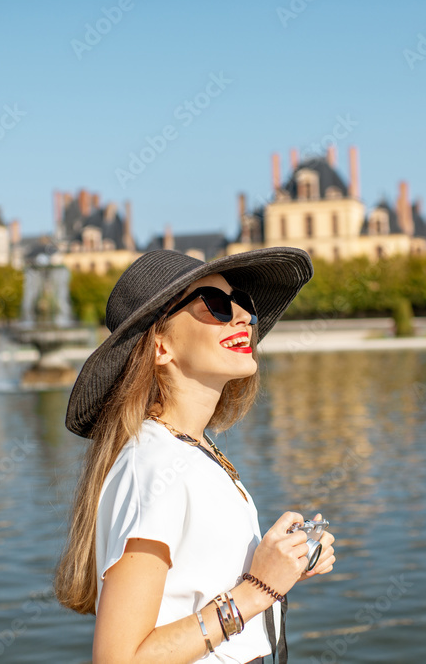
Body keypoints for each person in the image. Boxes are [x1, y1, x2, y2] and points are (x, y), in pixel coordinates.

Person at [55, 247, 336, 663]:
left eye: (243, 303)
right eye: (217, 305)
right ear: (160, 346)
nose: (242, 316)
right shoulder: (154, 463)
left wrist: (284, 564)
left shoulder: (191, 448)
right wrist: (258, 590)